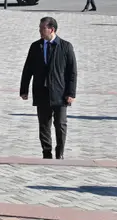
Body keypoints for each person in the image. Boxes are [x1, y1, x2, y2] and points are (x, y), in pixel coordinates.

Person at [19, 17, 77, 159]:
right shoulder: (35, 46)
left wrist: (71, 93)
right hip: (41, 91)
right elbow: (28, 69)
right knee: (44, 125)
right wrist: (24, 89)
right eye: (39, 28)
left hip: (60, 93)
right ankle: (46, 152)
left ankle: (60, 152)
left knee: (60, 124)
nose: (39, 30)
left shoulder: (65, 46)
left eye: (42, 28)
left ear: (52, 29)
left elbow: (72, 72)